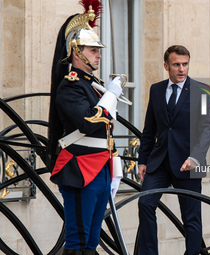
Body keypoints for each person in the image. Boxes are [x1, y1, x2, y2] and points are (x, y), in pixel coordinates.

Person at [47, 1, 124, 254]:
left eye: (98, 50)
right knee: (78, 241)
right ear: (76, 52)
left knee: (92, 242)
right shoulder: (71, 85)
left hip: (100, 168)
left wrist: (115, 168)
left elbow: (107, 131)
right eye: (93, 50)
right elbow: (89, 122)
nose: (99, 55)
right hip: (80, 168)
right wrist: (111, 96)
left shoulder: (91, 85)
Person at [137, 45, 210, 255]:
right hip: (159, 162)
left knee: (191, 218)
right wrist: (142, 160)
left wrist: (196, 157)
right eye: (176, 64)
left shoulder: (202, 91)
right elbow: (149, 128)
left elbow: (208, 128)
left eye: (185, 64)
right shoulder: (156, 89)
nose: (181, 69)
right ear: (166, 66)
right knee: (145, 204)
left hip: (189, 163)